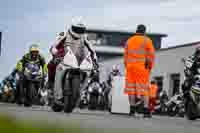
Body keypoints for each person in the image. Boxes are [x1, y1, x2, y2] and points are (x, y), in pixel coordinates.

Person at [52, 18, 98, 110]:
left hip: (79, 62)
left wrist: (95, 60)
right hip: (65, 60)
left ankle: (81, 93)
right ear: (72, 27)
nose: (79, 31)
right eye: (77, 29)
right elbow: (54, 46)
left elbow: (92, 49)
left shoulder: (84, 36)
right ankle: (58, 96)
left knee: (90, 72)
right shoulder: (64, 34)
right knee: (58, 69)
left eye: (81, 29)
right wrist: (55, 54)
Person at [124, 24, 155, 118]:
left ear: (136, 31)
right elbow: (151, 56)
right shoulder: (147, 40)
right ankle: (145, 111)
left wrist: (127, 66)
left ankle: (132, 110)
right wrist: (149, 67)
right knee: (144, 89)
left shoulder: (129, 41)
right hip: (142, 68)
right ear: (144, 31)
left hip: (130, 68)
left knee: (131, 89)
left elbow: (125, 56)